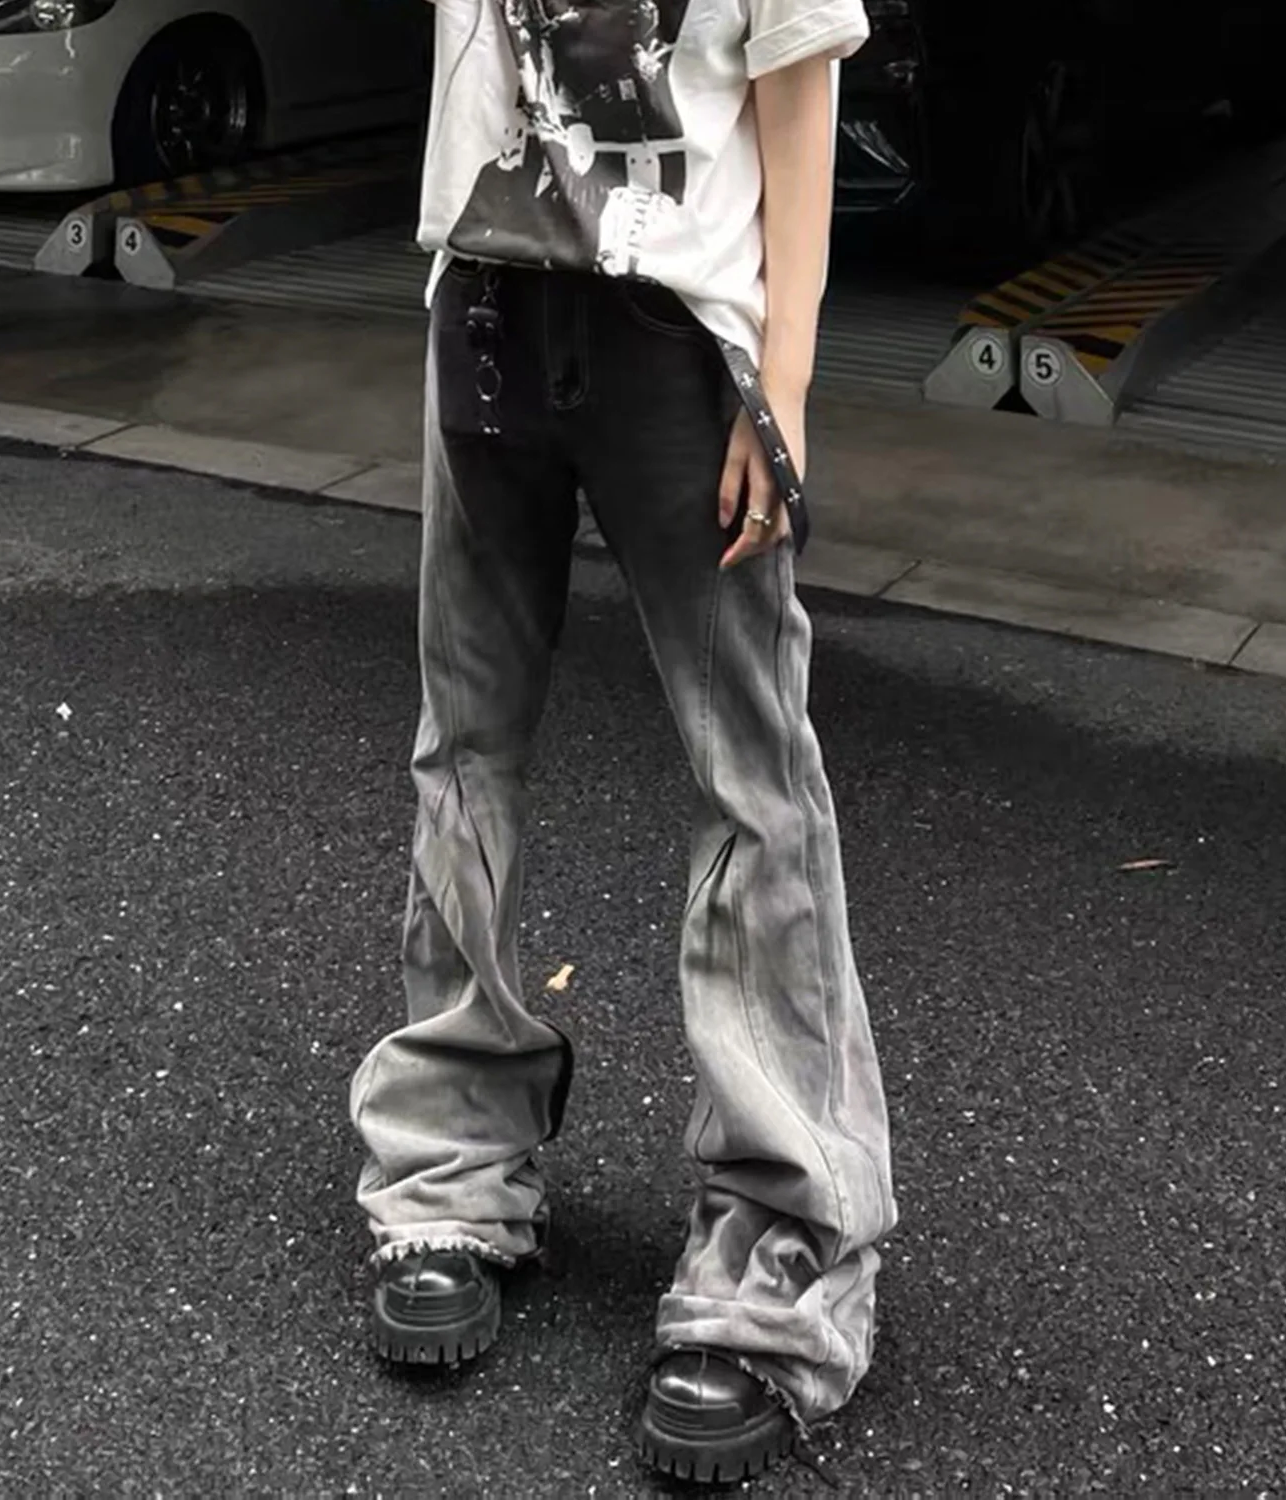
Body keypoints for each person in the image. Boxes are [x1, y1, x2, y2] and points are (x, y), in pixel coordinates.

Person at [349, 0, 897, 1481]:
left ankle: (785, 1249)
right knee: (462, 750)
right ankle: (449, 1168)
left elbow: (797, 85)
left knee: (754, 781)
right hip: (484, 309)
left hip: (679, 336)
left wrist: (783, 387)